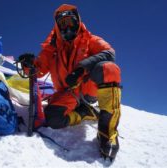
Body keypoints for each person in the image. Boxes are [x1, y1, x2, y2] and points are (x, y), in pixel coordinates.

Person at [19, 4, 121, 160]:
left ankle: (107, 134)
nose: (67, 28)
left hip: (87, 88)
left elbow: (109, 53)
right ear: (57, 27)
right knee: (53, 119)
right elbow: (38, 70)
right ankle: (84, 113)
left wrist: (81, 69)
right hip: (67, 93)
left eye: (70, 22)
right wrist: (28, 65)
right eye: (63, 24)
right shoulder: (51, 48)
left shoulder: (90, 40)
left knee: (109, 68)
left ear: (78, 22)